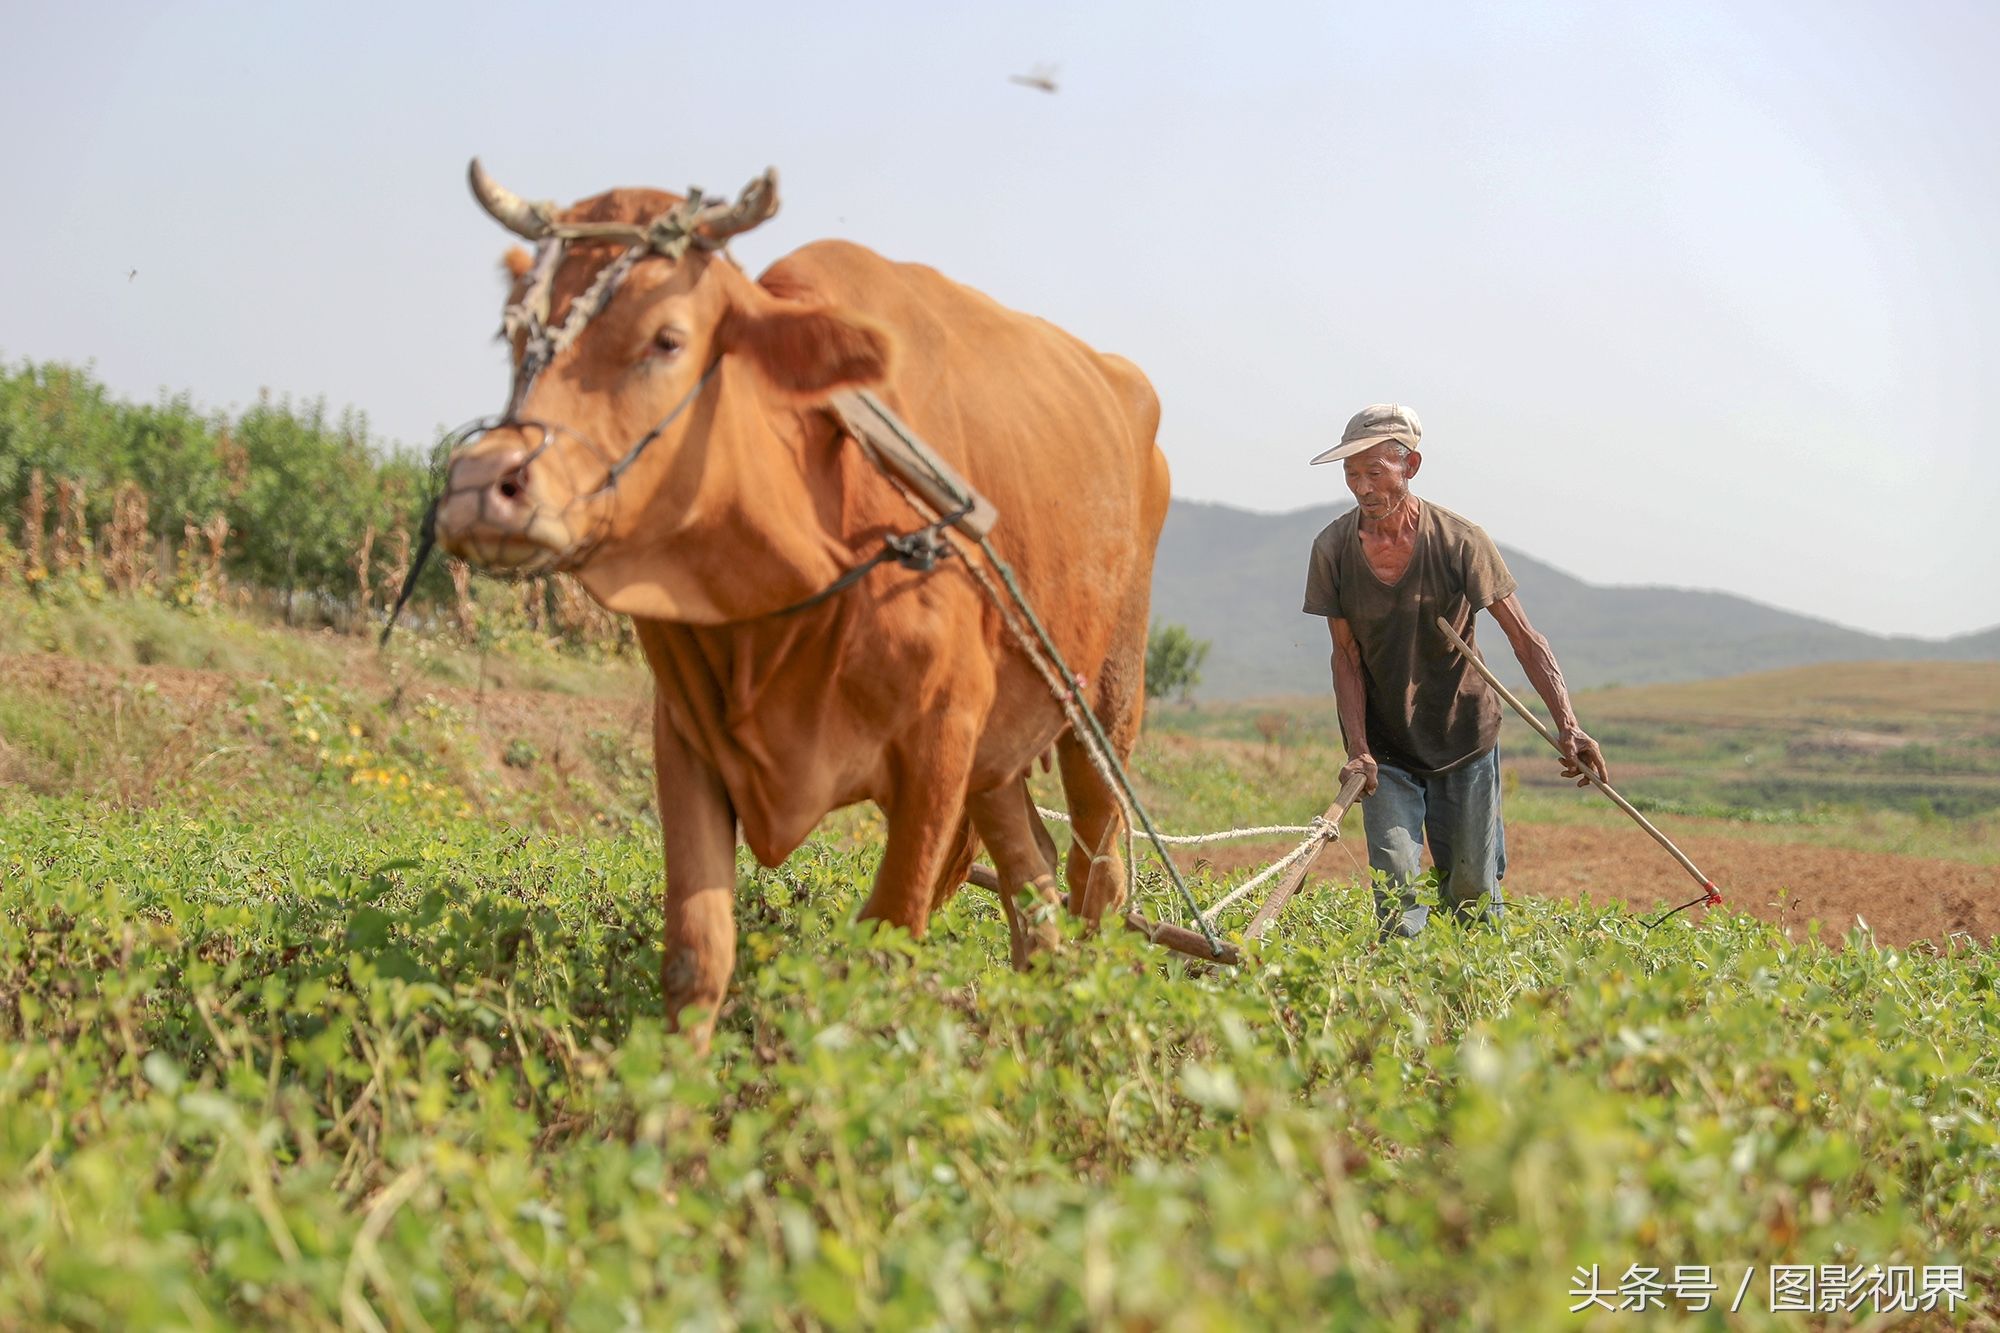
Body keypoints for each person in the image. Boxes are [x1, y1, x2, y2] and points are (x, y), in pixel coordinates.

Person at [1301, 404, 1609, 937]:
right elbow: (1345, 656)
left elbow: (1525, 638)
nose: (1362, 487)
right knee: (1396, 889)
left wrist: (1568, 723)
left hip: (1464, 737)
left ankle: (1473, 1001)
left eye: (1375, 472)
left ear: (1411, 466)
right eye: (1352, 474)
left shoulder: (1461, 541)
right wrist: (1357, 749)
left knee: (1470, 889)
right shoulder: (1332, 549)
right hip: (1386, 746)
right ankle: (1405, 1005)